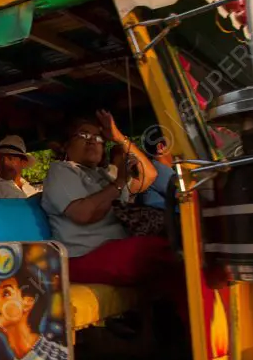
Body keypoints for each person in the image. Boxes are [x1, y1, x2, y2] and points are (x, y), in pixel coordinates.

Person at [41, 110, 180, 288]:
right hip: (83, 257)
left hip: (114, 250)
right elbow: (84, 214)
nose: (92, 140)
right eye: (84, 134)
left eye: (99, 138)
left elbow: (150, 175)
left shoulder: (105, 174)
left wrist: (119, 138)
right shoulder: (61, 170)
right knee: (162, 252)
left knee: (178, 248)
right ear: (66, 145)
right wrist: (119, 183)